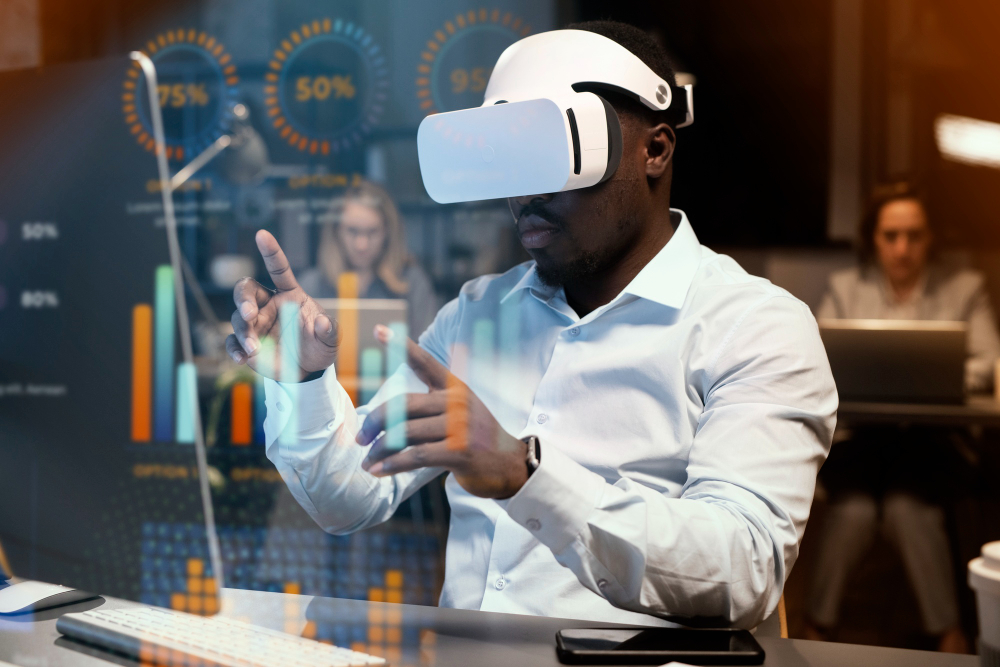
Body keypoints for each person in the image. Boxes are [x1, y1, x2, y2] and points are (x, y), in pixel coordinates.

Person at [226, 21, 837, 628]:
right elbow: (346, 497)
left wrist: (526, 473)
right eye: (509, 158)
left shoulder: (753, 328)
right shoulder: (476, 315)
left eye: (553, 154)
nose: (524, 193)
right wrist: (303, 382)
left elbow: (744, 570)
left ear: (654, 150)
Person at [805, 181, 1000, 652]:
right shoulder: (845, 288)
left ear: (931, 237)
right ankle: (815, 630)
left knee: (905, 506)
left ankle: (949, 636)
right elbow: (818, 358)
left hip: (933, 444)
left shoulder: (964, 287)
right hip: (862, 442)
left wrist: (943, 373)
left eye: (914, 235)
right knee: (855, 510)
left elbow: (989, 362)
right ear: (873, 238)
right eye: (891, 235)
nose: (902, 248)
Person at [297, 180, 437, 338]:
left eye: (372, 232)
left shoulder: (411, 282)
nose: (361, 245)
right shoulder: (311, 286)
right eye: (352, 231)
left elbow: (426, 349)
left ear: (388, 232)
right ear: (336, 231)